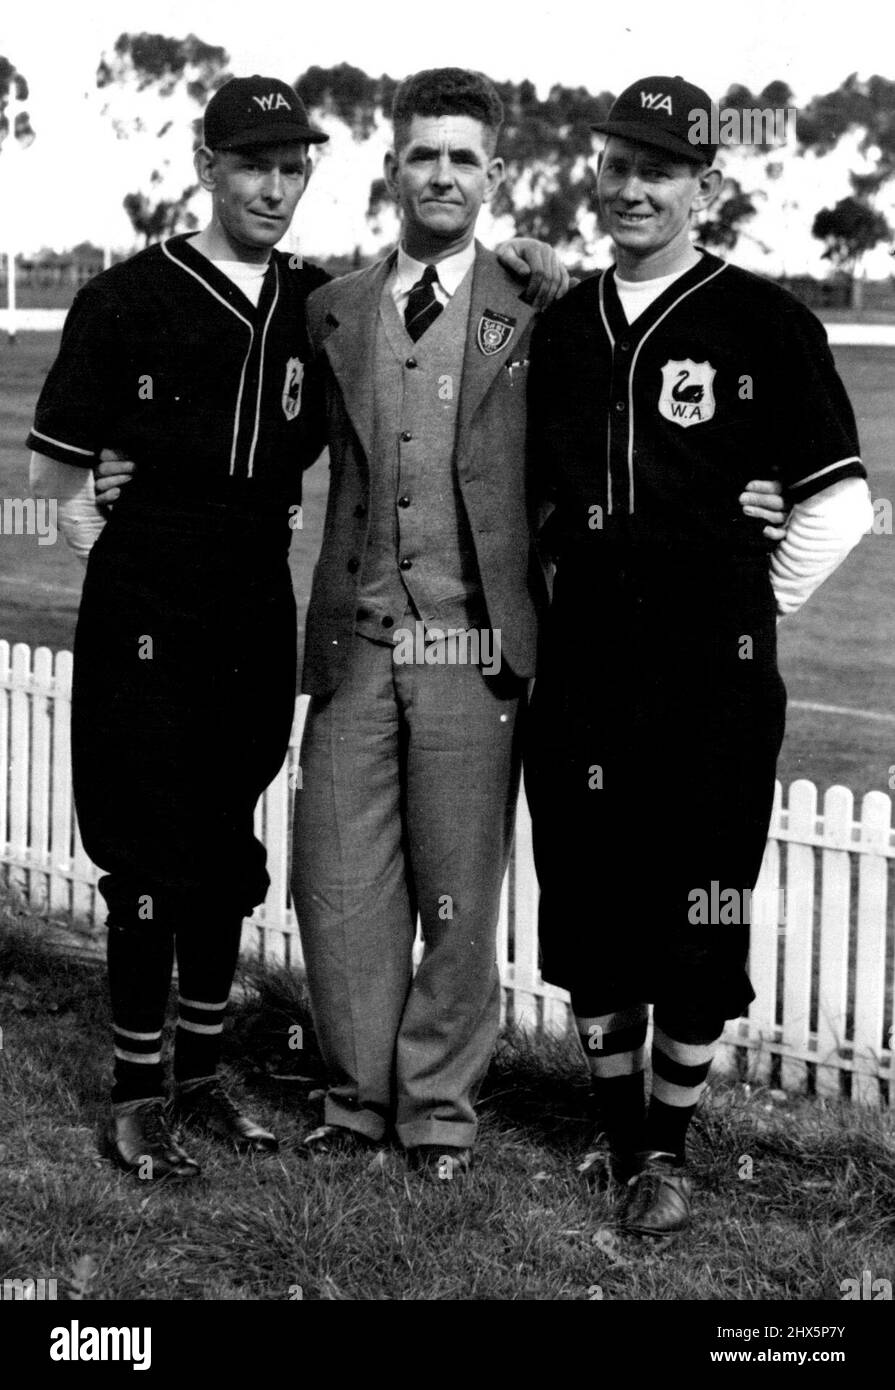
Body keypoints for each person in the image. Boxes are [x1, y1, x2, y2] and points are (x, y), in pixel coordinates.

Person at [287, 67, 786, 1181]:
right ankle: (354, 1097)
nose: (444, 174)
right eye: (425, 153)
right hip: (358, 636)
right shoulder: (333, 308)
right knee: (341, 888)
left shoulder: (541, 308)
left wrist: (751, 510)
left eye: (466, 156)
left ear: (495, 175)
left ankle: (438, 1113)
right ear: (393, 166)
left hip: (474, 646)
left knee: (459, 898)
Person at [524, 75, 873, 1236]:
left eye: (658, 171)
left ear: (704, 186)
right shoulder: (563, 327)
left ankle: (665, 1151)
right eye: (617, 166)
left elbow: (837, 509)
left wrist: (736, 601)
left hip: (710, 682)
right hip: (580, 678)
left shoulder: (764, 321)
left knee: (699, 917)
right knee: (590, 910)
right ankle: (618, 1138)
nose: (632, 188)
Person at [27, 75, 334, 1179]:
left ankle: (201, 1078)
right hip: (147, 591)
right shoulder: (124, 298)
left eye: (293, 165)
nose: (273, 185)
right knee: (147, 842)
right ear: (205, 167)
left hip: (255, 587)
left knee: (221, 836)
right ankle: (133, 1090)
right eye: (252, 163)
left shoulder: (320, 302)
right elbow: (52, 469)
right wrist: (97, 512)